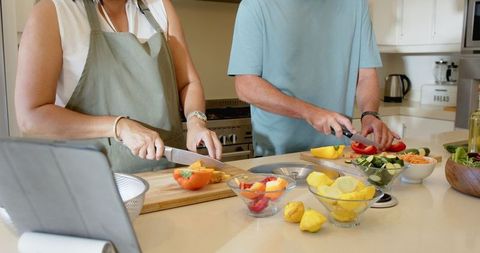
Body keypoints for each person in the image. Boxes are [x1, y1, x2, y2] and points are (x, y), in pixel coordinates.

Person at [15, 0, 222, 173]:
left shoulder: (159, 6)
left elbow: (188, 82)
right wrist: (119, 126)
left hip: (167, 179)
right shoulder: (54, 11)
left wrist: (196, 122)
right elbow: (31, 117)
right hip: (95, 185)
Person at [228, 0, 399, 157]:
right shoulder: (255, 6)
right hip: (279, 156)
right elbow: (246, 85)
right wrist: (309, 112)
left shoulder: (356, 4)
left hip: (337, 152)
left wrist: (369, 114)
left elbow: (366, 76)